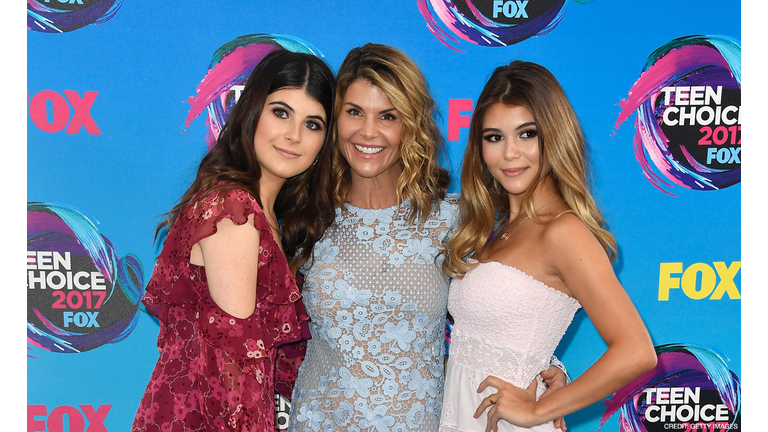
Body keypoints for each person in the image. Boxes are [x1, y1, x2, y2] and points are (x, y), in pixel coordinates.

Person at [287, 43, 567, 432]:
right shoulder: (304, 218)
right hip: (320, 421)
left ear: (411, 124)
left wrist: (546, 367)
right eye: (354, 112)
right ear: (336, 121)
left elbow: (503, 303)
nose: (368, 131)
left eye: (388, 115)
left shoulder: (453, 218)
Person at [439, 60, 657, 432]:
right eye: (494, 137)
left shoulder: (564, 232)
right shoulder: (497, 227)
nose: (510, 154)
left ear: (553, 135)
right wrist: (549, 367)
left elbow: (637, 351)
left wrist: (541, 409)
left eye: (527, 134)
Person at [131, 48, 337, 432]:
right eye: (281, 112)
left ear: (325, 141)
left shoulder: (265, 215)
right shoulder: (234, 211)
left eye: (313, 124)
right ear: (252, 111)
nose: (293, 135)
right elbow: (236, 372)